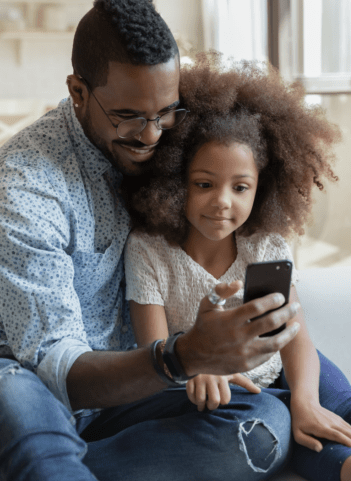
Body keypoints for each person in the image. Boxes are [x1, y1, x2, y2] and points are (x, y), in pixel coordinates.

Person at [0, 2, 300, 480]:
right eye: (130, 116)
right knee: (13, 395)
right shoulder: (24, 186)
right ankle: (42, 458)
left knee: (264, 425)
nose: (151, 136)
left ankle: (50, 468)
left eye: (164, 112)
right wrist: (185, 355)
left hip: (135, 385)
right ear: (77, 92)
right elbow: (55, 367)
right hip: (30, 385)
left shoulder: (169, 148)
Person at [122, 53, 351, 481]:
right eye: (204, 184)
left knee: (331, 412)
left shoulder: (264, 245)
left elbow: (292, 335)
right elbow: (153, 356)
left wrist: (304, 397)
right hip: (224, 392)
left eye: (240, 187)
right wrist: (197, 364)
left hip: (286, 367)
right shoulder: (149, 251)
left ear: (262, 189)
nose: (223, 201)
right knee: (297, 439)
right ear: (174, 181)